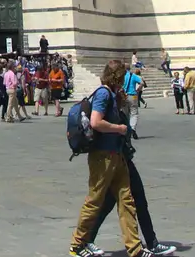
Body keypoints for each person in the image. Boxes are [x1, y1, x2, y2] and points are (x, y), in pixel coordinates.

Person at [67, 59, 141, 257]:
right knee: (94, 200)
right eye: (123, 76)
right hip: (103, 156)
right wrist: (120, 128)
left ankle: (135, 249)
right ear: (117, 76)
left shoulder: (112, 94)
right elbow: (96, 122)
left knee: (127, 200)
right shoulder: (103, 93)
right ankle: (77, 245)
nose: (125, 79)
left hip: (116, 155)